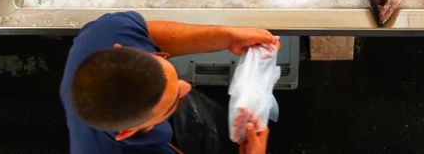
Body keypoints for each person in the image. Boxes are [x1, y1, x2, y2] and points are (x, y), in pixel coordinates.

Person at [60, 11, 280, 154]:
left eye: (162, 61)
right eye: (172, 102)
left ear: (122, 47)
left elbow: (146, 32)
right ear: (127, 132)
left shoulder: (105, 33)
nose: (186, 87)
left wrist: (227, 37)